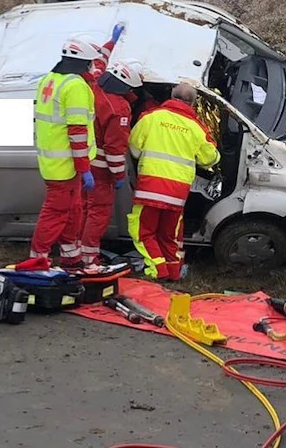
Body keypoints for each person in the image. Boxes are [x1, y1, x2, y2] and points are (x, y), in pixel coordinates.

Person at [127, 81, 219, 281]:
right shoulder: (197, 128)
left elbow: (133, 146)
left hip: (150, 187)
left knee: (142, 231)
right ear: (193, 104)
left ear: (171, 96)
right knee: (170, 235)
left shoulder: (151, 118)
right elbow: (210, 158)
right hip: (178, 192)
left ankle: (157, 270)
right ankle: (173, 273)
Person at [29, 34, 104, 268]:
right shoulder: (76, 87)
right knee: (56, 212)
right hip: (67, 163)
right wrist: (84, 167)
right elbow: (77, 130)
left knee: (73, 209)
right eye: (91, 62)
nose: (93, 66)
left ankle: (71, 255)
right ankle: (37, 258)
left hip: (53, 158)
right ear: (83, 63)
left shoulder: (50, 80)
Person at [77, 58, 142, 265]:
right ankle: (89, 258)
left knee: (84, 209)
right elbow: (114, 148)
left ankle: (75, 251)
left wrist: (110, 44)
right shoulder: (118, 109)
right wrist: (119, 174)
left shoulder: (93, 87)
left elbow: (97, 66)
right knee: (98, 213)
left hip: (84, 161)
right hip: (101, 169)